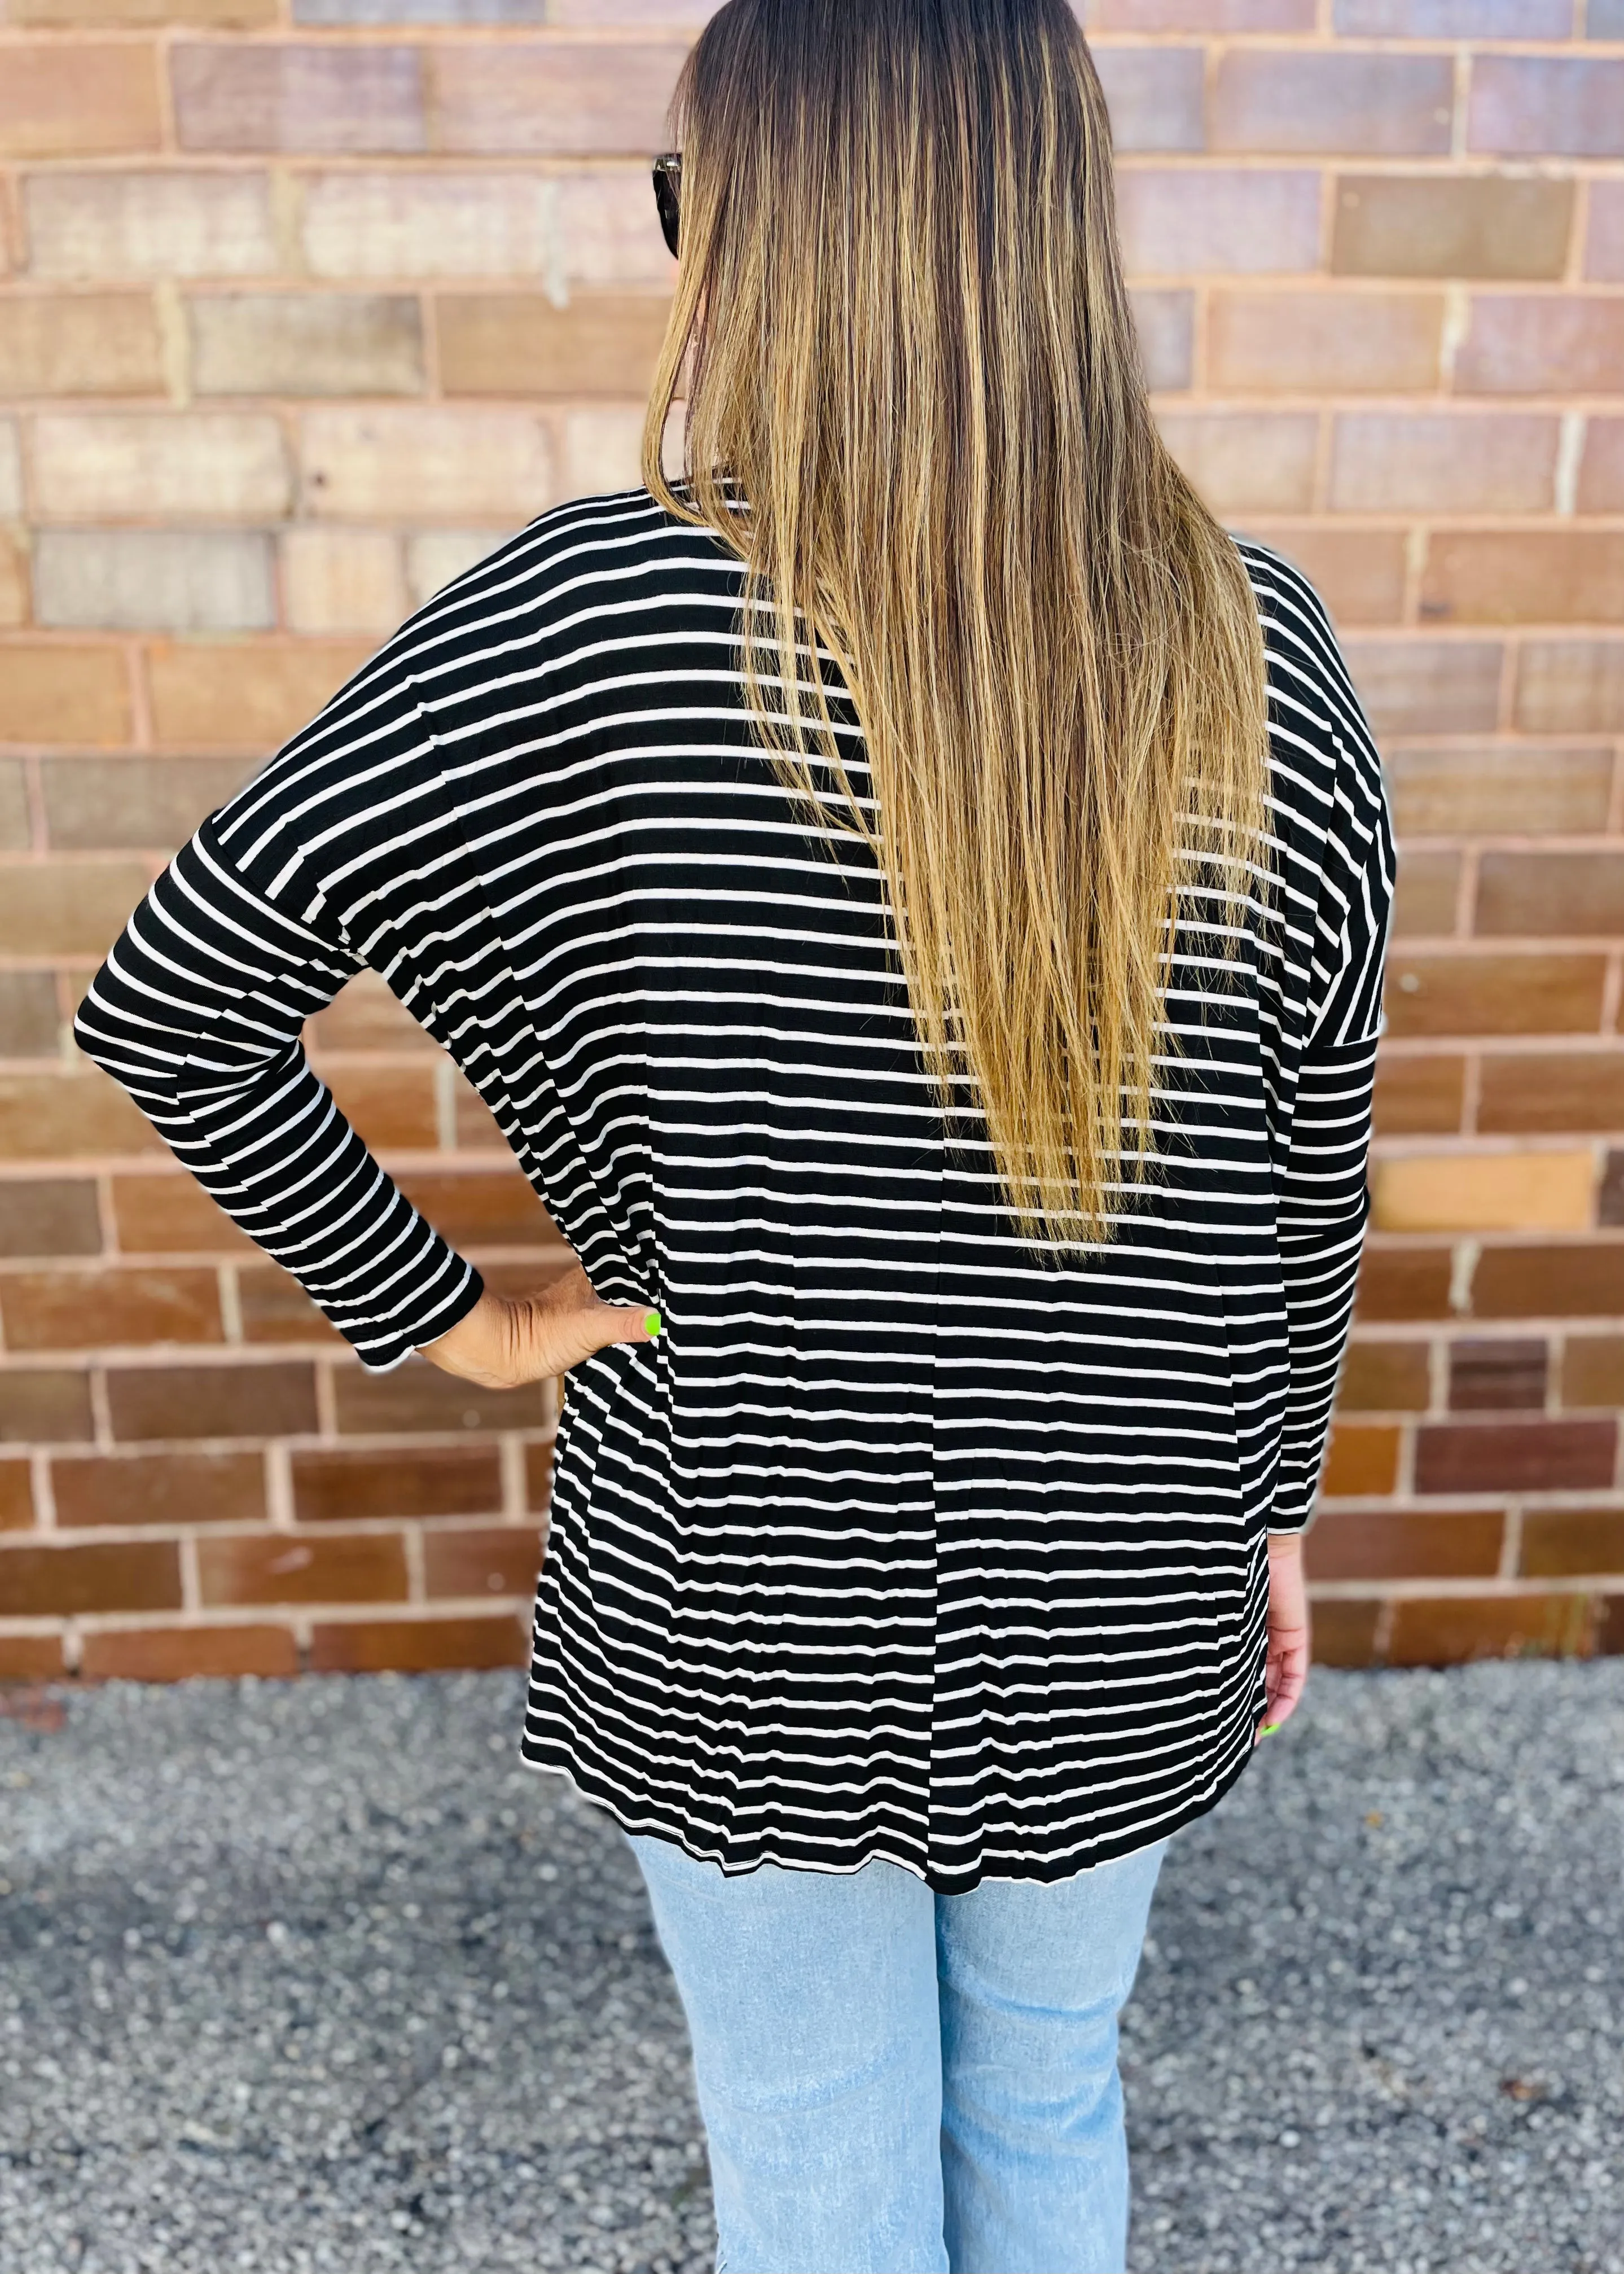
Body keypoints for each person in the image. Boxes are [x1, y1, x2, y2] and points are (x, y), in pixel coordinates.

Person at [77, 1, 1394, 2266]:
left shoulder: (579, 626)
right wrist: (1263, 1512)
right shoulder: (1242, 641)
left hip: (739, 1592)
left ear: (753, 241)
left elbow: (178, 992)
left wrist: (463, 1324)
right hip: (1125, 1574)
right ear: (1049, 231)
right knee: (1047, 2101)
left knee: (814, 2152)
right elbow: (1304, 1173)